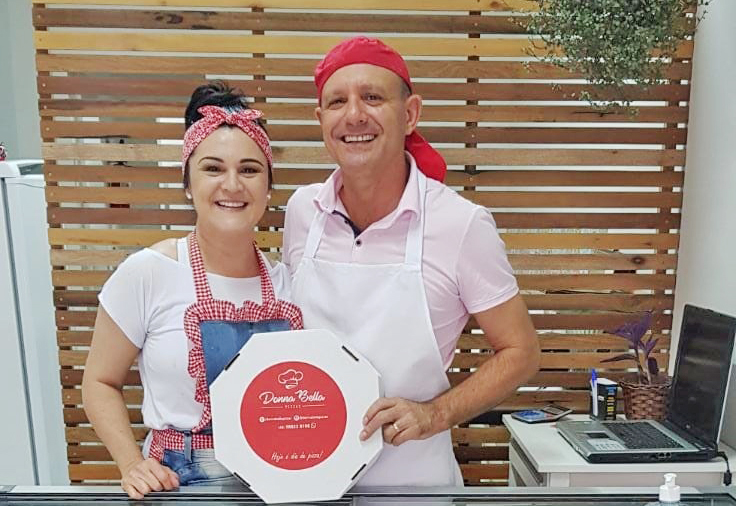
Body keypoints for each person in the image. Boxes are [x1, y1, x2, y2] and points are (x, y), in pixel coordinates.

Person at [282, 37, 540, 486]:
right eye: (337, 101)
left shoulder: (461, 224)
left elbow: (522, 352)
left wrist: (435, 414)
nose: (354, 115)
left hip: (415, 485)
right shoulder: (302, 212)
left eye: (372, 97)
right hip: (309, 483)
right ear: (320, 119)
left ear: (410, 114)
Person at [82, 82, 303, 499]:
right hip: (179, 482)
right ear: (187, 182)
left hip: (277, 479)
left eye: (249, 170)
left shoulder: (288, 284)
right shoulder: (148, 273)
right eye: (213, 168)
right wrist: (131, 464)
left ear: (268, 188)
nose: (232, 185)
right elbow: (99, 381)